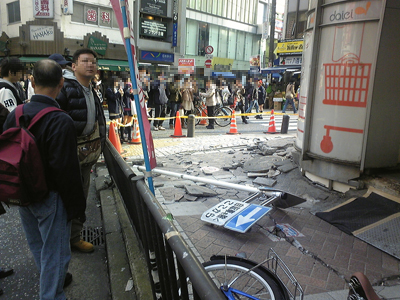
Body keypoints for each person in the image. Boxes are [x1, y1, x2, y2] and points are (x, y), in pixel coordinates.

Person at [3, 59, 86, 300]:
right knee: (55, 252)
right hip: (51, 197)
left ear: (32, 81)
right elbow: (66, 170)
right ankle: (52, 294)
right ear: (61, 82)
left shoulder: (16, 113)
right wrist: (76, 207)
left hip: (22, 194)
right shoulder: (61, 120)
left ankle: (51, 284)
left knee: (39, 247)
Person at [56, 48, 106, 253]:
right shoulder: (65, 88)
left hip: (86, 154)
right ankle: (62, 241)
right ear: (74, 65)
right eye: (85, 61)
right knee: (66, 199)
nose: (90, 65)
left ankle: (74, 237)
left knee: (81, 196)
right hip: (68, 156)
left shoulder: (90, 88)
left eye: (93, 61)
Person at [0, 57, 24, 126]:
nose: (21, 74)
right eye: (19, 71)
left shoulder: (8, 87)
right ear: (10, 72)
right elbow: (12, 114)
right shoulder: (6, 90)